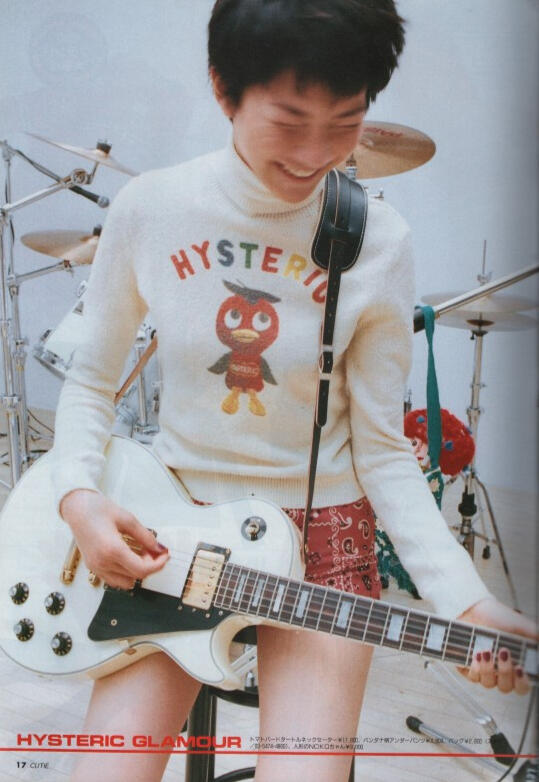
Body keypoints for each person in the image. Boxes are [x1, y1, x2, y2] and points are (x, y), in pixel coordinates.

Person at [52, 1, 537, 780]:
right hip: (172, 529)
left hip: (324, 544)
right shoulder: (152, 207)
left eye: (345, 121)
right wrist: (78, 499)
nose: (316, 154)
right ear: (223, 88)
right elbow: (91, 379)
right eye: (288, 120)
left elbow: (383, 452)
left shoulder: (379, 241)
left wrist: (464, 600)